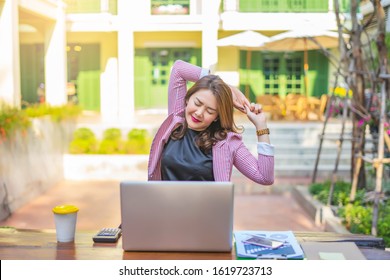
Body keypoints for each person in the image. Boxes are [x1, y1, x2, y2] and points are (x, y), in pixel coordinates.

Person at [148, 60, 274, 185]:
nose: (199, 113)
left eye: (210, 111)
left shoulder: (227, 142)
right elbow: (179, 69)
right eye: (197, 103)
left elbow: (264, 177)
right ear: (187, 99)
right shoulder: (176, 119)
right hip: (164, 205)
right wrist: (225, 87)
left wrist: (261, 126)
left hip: (205, 206)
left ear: (216, 117)